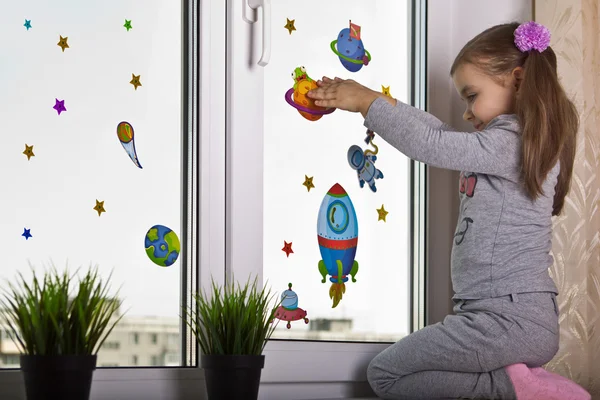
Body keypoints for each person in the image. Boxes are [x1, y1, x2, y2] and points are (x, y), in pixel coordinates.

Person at [307, 21, 591, 400]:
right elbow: (436, 130)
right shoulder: (511, 142)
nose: (468, 113)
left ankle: (512, 389)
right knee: (392, 373)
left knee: (385, 374)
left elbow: (432, 142)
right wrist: (370, 97)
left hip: (509, 319)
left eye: (471, 95)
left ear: (518, 80)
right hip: (505, 317)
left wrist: (365, 102)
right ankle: (521, 384)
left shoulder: (513, 140)